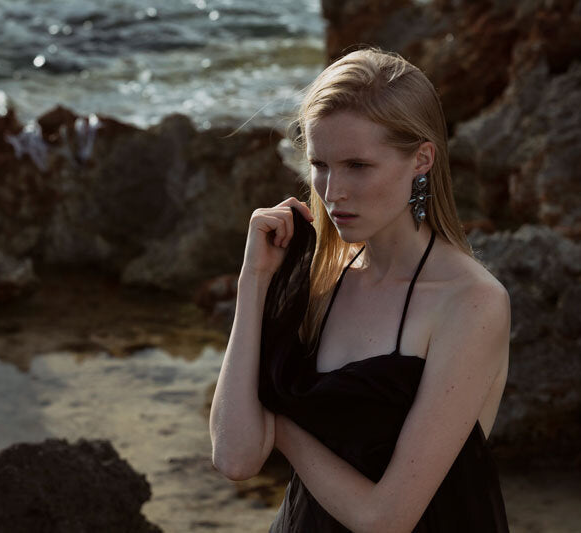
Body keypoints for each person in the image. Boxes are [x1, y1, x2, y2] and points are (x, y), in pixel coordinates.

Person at [209, 47, 510, 532]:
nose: (332, 192)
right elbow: (235, 457)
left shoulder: (471, 302)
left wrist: (283, 428)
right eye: (319, 164)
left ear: (421, 159)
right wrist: (255, 282)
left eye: (357, 166)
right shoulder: (320, 279)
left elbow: (386, 519)